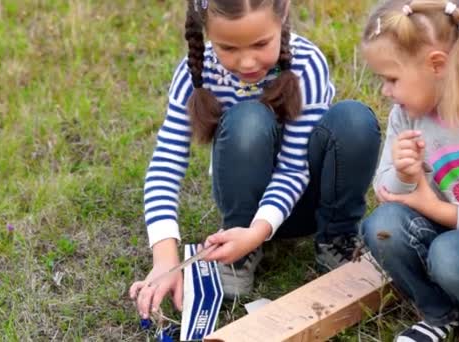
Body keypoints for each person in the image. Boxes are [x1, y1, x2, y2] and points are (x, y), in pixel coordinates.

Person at [129, 0, 380, 320]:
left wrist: (258, 232)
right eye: (228, 47)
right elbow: (165, 165)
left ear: (283, 15)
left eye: (261, 44)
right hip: (246, 208)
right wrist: (165, 258)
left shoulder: (308, 63)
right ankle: (241, 249)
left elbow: (293, 167)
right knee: (249, 118)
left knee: (354, 119)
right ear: (206, 32)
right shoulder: (196, 73)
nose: (247, 62)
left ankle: (336, 238)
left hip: (306, 200)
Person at [360, 0, 459, 341]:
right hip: (454, 245)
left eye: (391, 78)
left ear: (435, 64)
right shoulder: (406, 115)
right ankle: (440, 314)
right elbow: (386, 193)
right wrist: (403, 174)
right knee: (383, 227)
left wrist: (434, 208)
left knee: (450, 252)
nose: (385, 91)